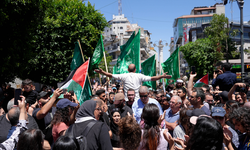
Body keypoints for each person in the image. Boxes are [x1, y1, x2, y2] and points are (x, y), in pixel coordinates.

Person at [95, 64, 172, 101]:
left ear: (128, 70)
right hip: (138, 100)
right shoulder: (139, 75)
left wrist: (103, 72)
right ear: (135, 70)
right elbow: (152, 78)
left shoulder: (124, 75)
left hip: (127, 100)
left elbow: (111, 75)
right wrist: (162, 76)